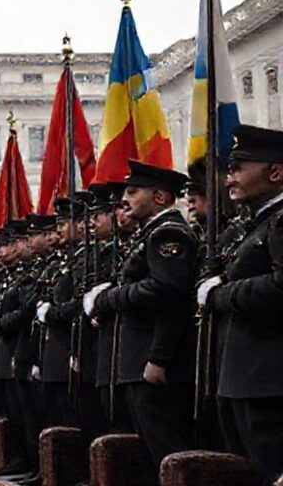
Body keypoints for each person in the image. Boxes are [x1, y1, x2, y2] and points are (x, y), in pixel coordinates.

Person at [85, 159, 198, 472]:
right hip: (137, 362)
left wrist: (109, 299)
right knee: (151, 454)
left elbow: (168, 293)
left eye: (134, 192)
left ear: (159, 197)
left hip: (152, 363)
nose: (125, 199)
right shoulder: (151, 234)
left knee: (168, 453)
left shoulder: (168, 234)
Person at [198, 124, 283, 484]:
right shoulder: (255, 225)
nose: (228, 178)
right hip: (241, 378)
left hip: (269, 381)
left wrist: (220, 295)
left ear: (275, 172)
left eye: (237, 168)